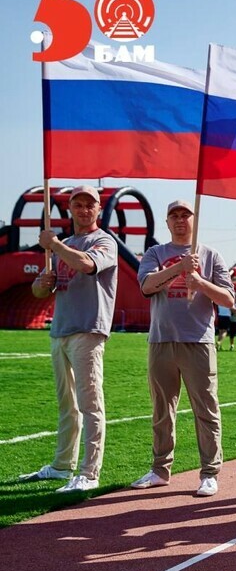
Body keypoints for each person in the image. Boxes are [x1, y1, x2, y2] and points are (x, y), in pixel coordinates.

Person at [131, 200, 235, 497]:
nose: (180, 220)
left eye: (185, 215)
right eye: (174, 216)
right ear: (167, 222)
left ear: (195, 219)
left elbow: (228, 298)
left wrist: (201, 282)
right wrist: (178, 267)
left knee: (206, 409)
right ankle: (160, 469)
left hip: (198, 341)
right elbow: (146, 286)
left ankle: (210, 472)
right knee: (162, 409)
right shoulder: (155, 253)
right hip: (161, 340)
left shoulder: (212, 255)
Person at [21, 185, 118, 492]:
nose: (84, 209)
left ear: (98, 210)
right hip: (60, 329)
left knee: (90, 404)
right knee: (67, 404)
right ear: (71, 208)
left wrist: (55, 244)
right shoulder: (62, 245)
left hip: (88, 329)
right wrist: (42, 281)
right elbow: (39, 291)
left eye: (90, 205)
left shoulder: (104, 241)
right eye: (78, 204)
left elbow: (87, 265)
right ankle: (63, 465)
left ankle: (90, 472)